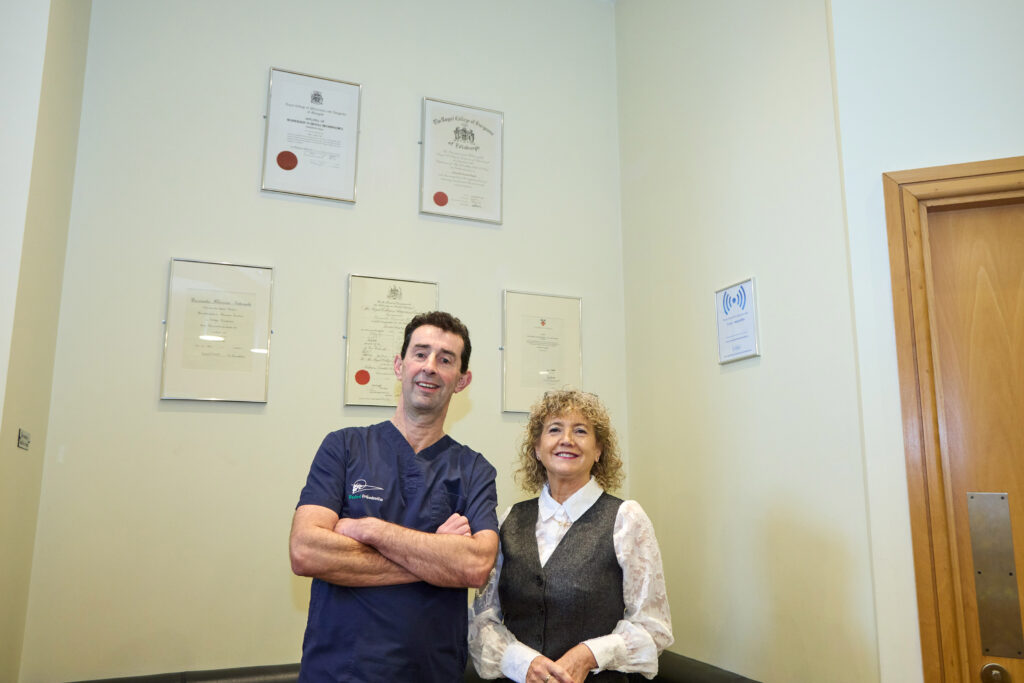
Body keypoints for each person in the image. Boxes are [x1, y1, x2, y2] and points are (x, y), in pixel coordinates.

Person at [290, 311, 499, 683]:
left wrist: (371, 530)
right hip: (340, 670)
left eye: (445, 359)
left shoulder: (474, 470)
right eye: (420, 354)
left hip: (432, 672)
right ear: (400, 365)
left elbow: (475, 567)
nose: (430, 367)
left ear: (462, 381)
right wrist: (436, 557)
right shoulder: (344, 447)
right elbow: (307, 551)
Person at [469, 390, 673, 683]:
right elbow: (482, 621)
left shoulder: (627, 518)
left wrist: (589, 654)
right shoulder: (509, 519)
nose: (567, 439)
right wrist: (523, 662)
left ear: (599, 450)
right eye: (555, 430)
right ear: (537, 449)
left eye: (580, 431)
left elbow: (654, 628)